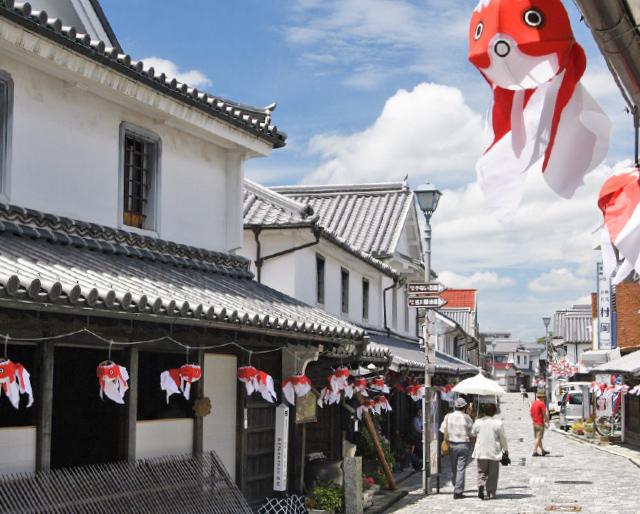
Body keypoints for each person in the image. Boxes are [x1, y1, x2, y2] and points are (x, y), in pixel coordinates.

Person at [439, 397, 475, 499]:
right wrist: (474, 446)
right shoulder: (467, 418)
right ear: (465, 407)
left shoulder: (448, 417)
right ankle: (458, 491)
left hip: (451, 445)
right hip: (464, 445)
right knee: (461, 468)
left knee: (454, 467)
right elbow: (472, 434)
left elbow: (443, 430)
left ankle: (457, 484)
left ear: (455, 406)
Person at [471, 402, 508, 500]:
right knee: (492, 473)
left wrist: (475, 445)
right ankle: (491, 492)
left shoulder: (478, 422)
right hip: (494, 451)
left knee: (481, 471)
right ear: (495, 412)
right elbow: (502, 438)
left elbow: (472, 435)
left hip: (481, 450)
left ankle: (480, 485)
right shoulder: (498, 423)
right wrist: (506, 449)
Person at [530, 389, 550, 456]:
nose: (544, 398)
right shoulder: (542, 404)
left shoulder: (534, 403)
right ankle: (535, 451)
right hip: (540, 423)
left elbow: (530, 413)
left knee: (538, 438)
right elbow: (544, 414)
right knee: (538, 437)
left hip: (534, 423)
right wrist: (548, 422)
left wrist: (534, 418)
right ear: (542, 397)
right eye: (544, 397)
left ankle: (542, 451)